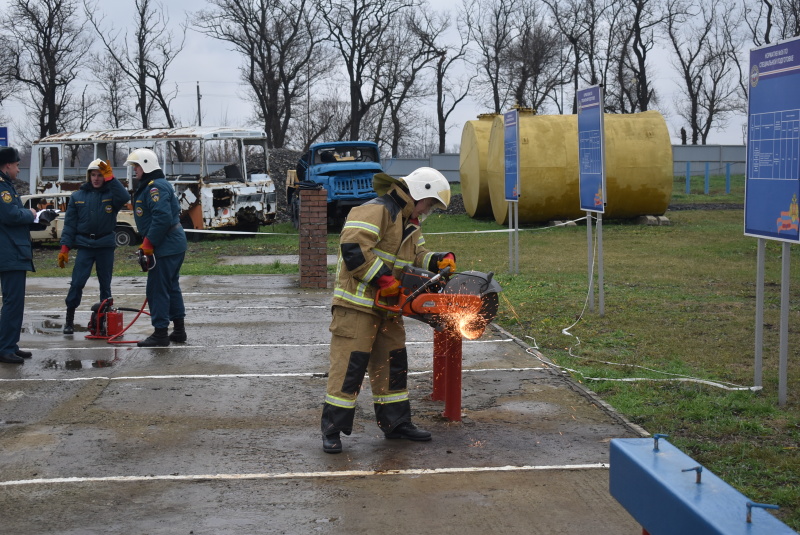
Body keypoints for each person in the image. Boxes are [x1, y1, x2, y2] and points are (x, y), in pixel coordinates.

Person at [320, 166, 457, 454]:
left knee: (393, 366)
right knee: (349, 368)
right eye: (431, 203)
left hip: (388, 308)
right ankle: (332, 430)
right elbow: (354, 248)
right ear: (420, 192)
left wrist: (438, 260)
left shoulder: (410, 220)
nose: (430, 209)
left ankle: (395, 424)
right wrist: (384, 281)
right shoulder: (376, 210)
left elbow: (416, 255)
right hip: (357, 307)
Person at [58, 159, 131, 334]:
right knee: (77, 283)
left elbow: (125, 197)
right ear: (88, 176)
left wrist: (111, 179)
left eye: (100, 175)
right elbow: (69, 225)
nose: (96, 178)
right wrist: (64, 249)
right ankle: (69, 320)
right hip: (85, 245)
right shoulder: (77, 197)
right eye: (93, 175)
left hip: (105, 244)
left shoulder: (111, 195)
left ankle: (103, 321)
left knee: (105, 285)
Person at [125, 148, 188, 347]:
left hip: (165, 244)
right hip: (171, 242)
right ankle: (178, 331)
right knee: (171, 287)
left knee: (157, 289)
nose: (134, 170)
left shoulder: (155, 188)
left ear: (146, 165)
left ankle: (161, 333)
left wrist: (148, 244)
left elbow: (161, 217)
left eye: (136, 166)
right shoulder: (154, 185)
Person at [0, 147, 55, 364]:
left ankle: (9, 344)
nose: (18, 169)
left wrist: (37, 219)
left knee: (14, 302)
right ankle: (5, 347)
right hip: (9, 251)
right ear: (7, 165)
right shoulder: (3, 188)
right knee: (13, 302)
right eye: (16, 165)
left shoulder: (7, 186)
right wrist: (30, 213)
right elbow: (10, 215)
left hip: (13, 249)